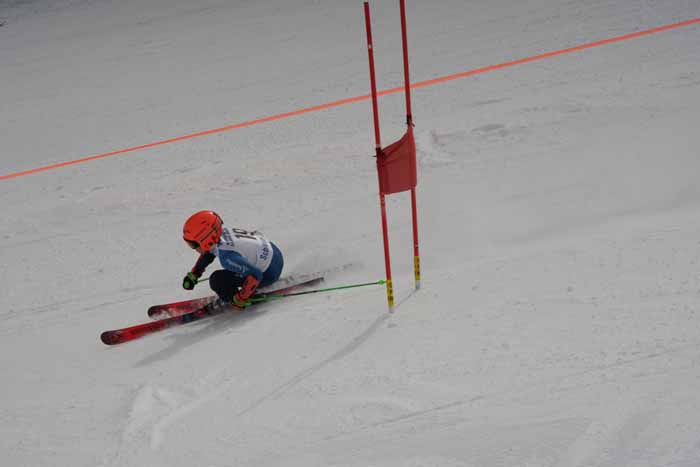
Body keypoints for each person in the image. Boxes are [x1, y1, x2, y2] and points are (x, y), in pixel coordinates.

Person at [181, 210, 284, 309]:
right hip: (275, 254)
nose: (193, 248)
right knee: (234, 265)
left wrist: (241, 298)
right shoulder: (221, 234)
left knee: (217, 280)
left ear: (205, 239)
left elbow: (256, 274)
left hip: (269, 273)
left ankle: (237, 298)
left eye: (193, 244)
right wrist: (195, 274)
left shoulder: (227, 257)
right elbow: (209, 253)